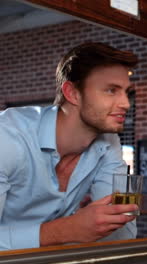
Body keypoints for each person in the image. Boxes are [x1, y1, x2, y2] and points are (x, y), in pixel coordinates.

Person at [0, 42, 139, 250]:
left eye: (126, 92)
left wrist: (90, 226)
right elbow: (81, 231)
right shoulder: (7, 136)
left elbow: (120, 234)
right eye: (111, 90)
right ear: (72, 93)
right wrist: (67, 229)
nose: (126, 104)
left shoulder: (109, 142)